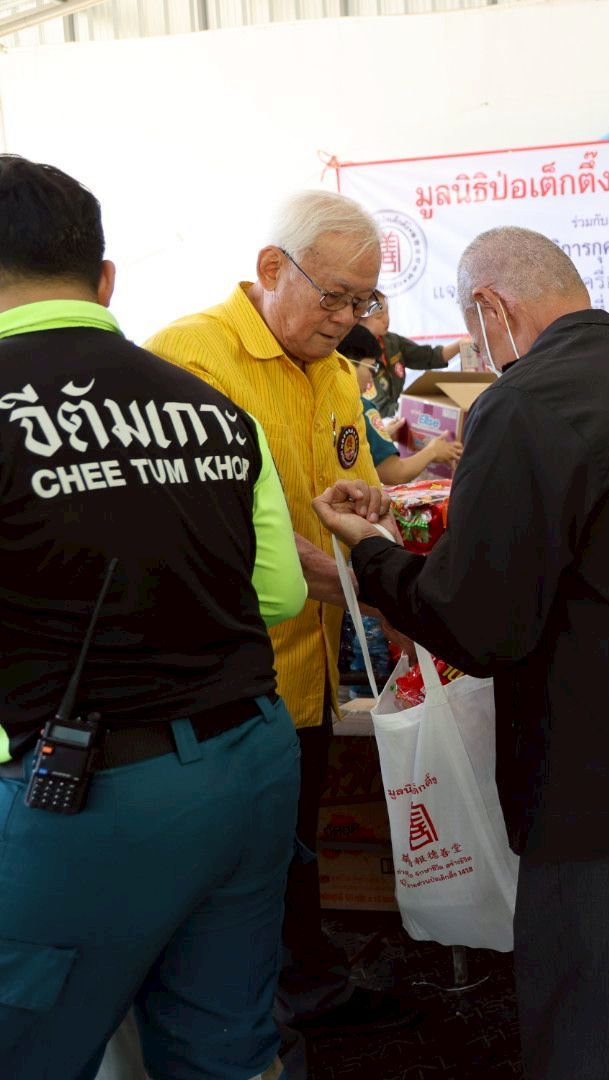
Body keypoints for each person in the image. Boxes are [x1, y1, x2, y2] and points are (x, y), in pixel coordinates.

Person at [315, 226, 609, 1080]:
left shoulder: (526, 401)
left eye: (475, 334)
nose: (479, 355)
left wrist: (373, 553)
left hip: (604, 782)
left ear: (491, 307)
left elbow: (483, 621)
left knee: (599, 1033)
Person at [0, 155, 316, 1078]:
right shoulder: (214, 408)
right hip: (248, 766)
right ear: (104, 280)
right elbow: (279, 596)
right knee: (225, 1046)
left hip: (77, 792)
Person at [144, 191, 414, 1073]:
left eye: (362, 301)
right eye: (334, 296)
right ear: (271, 269)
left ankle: (306, 990)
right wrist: (382, 592)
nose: (347, 319)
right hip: (221, 674)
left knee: (294, 845)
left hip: (308, 665)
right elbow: (231, 530)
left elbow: (336, 492)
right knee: (235, 871)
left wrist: (365, 511)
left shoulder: (334, 373)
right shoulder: (193, 357)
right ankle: (254, 1026)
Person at [339, 323, 462, 485]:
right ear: (346, 363)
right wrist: (432, 451)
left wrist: (383, 435)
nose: (371, 378)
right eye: (371, 368)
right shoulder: (362, 408)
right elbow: (396, 473)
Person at [359, 291, 470, 415]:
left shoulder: (392, 341)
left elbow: (428, 356)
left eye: (387, 312)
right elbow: (380, 407)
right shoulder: (355, 353)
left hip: (396, 415)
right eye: (379, 316)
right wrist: (414, 410)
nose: (386, 319)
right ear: (358, 320)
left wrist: (460, 344)